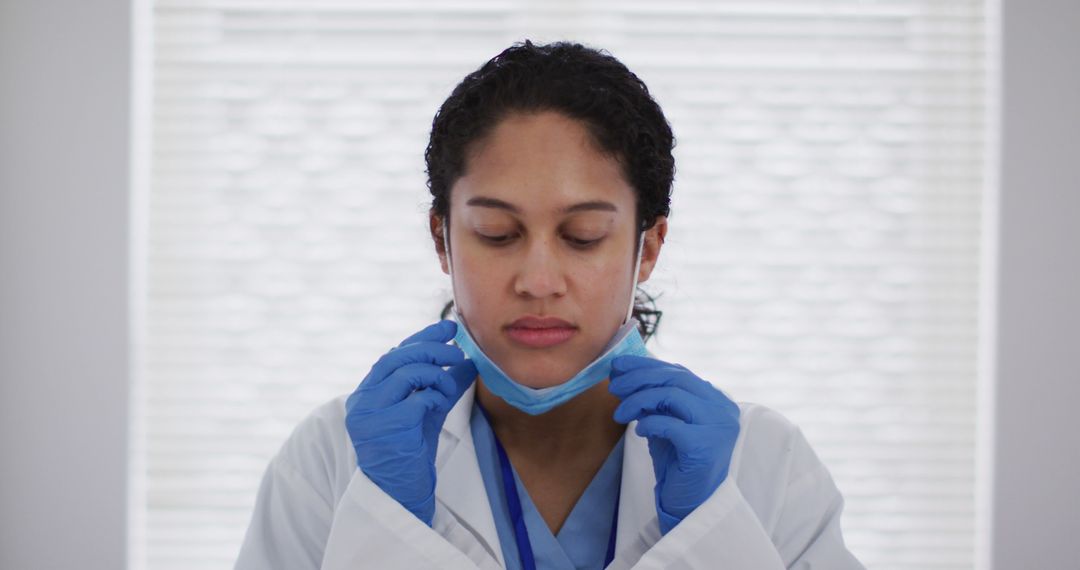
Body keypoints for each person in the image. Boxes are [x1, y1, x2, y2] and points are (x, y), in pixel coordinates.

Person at [236, 40, 865, 570]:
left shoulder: (764, 466)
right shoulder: (332, 461)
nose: (539, 281)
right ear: (442, 240)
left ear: (647, 247)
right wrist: (386, 525)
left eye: (582, 237)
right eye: (497, 235)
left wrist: (713, 533)